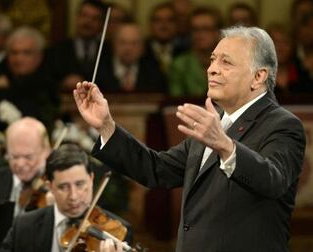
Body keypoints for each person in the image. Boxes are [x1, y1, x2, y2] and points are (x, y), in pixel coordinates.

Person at [74, 26, 306, 252]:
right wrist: (106, 125)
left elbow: (273, 180)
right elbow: (156, 169)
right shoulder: (214, 123)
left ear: (258, 76)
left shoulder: (283, 125)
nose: (212, 69)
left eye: (226, 62)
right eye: (213, 59)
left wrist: (225, 146)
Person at [0, 143, 132, 252]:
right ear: (50, 186)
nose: (73, 196)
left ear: (91, 179)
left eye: (80, 184)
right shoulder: (24, 226)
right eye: (63, 187)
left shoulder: (118, 231)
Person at [0, 117, 51, 217]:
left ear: (46, 151)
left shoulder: (55, 186)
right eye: (14, 156)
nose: (20, 164)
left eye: (28, 157)